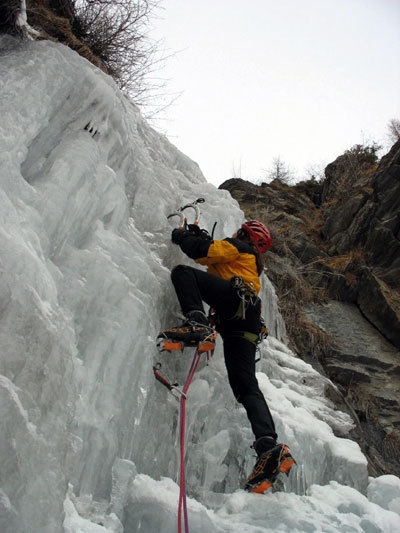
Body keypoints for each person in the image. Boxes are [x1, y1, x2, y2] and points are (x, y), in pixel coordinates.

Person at [160, 219, 295, 492]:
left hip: (234, 304)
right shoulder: (247, 263)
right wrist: (199, 236)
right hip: (245, 322)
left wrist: (181, 235)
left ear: (245, 235)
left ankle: (196, 324)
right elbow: (213, 262)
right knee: (244, 385)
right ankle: (268, 447)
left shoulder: (238, 246)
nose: (234, 234)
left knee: (183, 273)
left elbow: (204, 252)